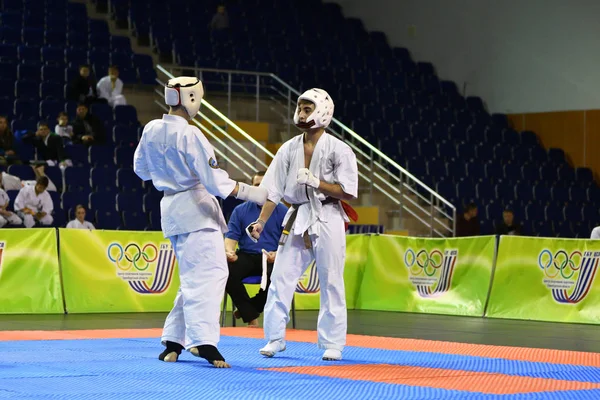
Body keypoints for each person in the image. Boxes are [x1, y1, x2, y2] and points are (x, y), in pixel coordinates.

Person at [133, 76, 268, 368]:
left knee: (194, 278)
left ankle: (173, 341)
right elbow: (217, 182)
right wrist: (254, 192)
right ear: (191, 99)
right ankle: (203, 342)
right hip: (195, 211)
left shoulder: (151, 129)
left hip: (171, 209)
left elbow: (141, 170)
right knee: (211, 276)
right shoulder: (192, 135)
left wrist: (166, 171)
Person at [248, 88, 358, 361]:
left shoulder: (339, 149)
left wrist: (317, 182)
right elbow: (272, 189)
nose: (301, 113)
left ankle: (333, 342)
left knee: (331, 279)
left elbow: (349, 191)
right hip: (297, 216)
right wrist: (261, 221)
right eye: (300, 108)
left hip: (328, 216)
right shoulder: (289, 148)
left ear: (322, 111)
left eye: (308, 109)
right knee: (281, 277)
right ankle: (275, 338)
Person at [225, 171, 288, 327]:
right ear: (251, 188)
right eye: (256, 185)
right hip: (246, 254)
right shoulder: (240, 210)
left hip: (271, 256)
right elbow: (231, 237)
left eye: (264, 186)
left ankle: (248, 310)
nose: (260, 189)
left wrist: (279, 254)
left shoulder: (283, 211)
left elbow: (290, 241)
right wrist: (229, 251)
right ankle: (251, 316)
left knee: (281, 277)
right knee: (226, 271)